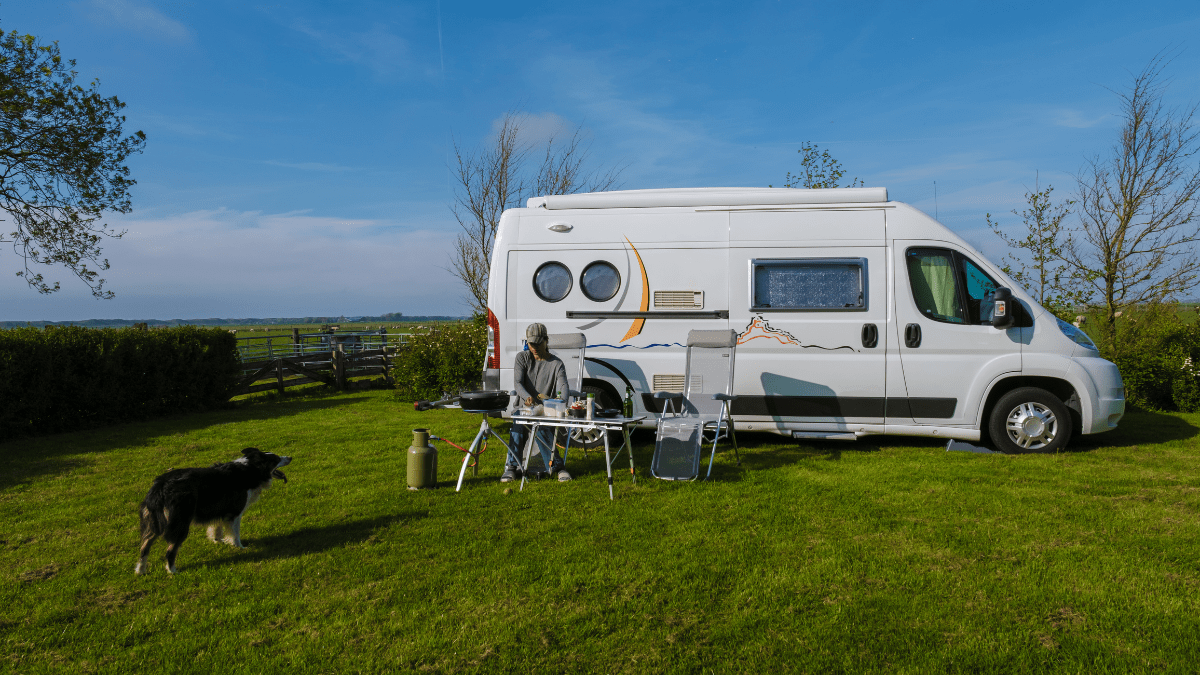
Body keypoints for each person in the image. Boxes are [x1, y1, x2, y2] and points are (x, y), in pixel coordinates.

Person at [504, 323, 572, 482]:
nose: (534, 347)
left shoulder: (556, 364)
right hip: (524, 409)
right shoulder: (522, 358)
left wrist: (562, 401)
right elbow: (518, 384)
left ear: (546, 341)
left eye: (538, 343)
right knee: (518, 425)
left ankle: (558, 467)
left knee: (541, 426)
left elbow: (563, 385)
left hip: (545, 411)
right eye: (530, 343)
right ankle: (512, 468)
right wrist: (527, 396)